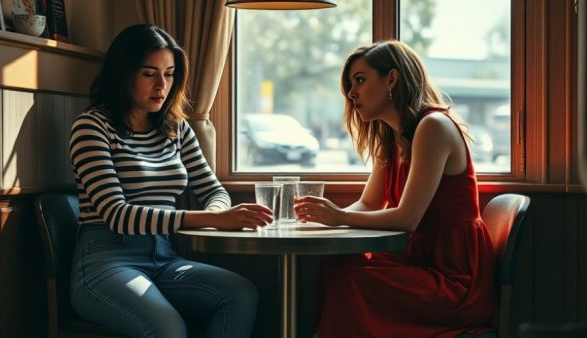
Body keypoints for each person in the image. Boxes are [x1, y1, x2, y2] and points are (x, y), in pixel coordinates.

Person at [68, 24, 273, 338]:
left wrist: (219, 212)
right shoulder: (91, 126)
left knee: (240, 293)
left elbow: (213, 189)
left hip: (164, 257)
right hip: (105, 261)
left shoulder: (176, 129)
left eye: (170, 73)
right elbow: (117, 215)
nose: (161, 85)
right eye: (149, 73)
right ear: (123, 74)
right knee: (168, 329)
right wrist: (213, 219)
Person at [293, 40, 497, 337]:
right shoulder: (392, 137)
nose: (351, 94)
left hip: (453, 281)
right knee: (336, 263)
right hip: (418, 262)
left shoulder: (433, 127)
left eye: (360, 80)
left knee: (349, 275)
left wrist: (338, 217)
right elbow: (368, 203)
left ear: (391, 79)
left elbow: (406, 219)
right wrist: (320, 222)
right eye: (351, 84)